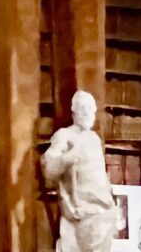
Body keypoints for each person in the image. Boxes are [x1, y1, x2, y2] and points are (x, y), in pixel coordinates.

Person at [39, 89, 114, 252]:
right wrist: (67, 158)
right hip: (81, 213)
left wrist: (111, 199)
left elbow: (100, 176)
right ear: (74, 112)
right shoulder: (64, 135)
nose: (87, 112)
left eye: (90, 108)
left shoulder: (94, 138)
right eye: (82, 108)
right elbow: (48, 169)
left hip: (103, 212)